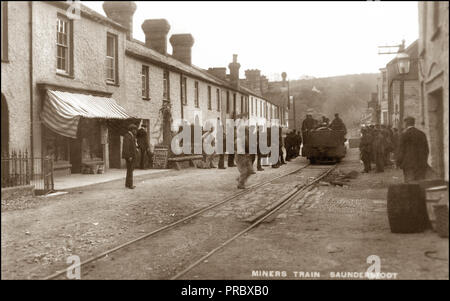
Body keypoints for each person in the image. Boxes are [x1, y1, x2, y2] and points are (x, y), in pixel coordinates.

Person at [396, 116, 429, 183]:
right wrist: (424, 161)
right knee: (420, 184)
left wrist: (398, 162)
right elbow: (426, 150)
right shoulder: (422, 134)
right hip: (420, 164)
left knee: (410, 185)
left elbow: (401, 151)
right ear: (413, 123)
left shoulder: (404, 135)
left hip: (408, 165)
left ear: (406, 124)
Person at [235, 124, 254, 189]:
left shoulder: (246, 137)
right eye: (247, 130)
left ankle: (240, 179)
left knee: (250, 170)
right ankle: (240, 184)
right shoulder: (240, 138)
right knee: (244, 171)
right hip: (241, 156)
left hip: (246, 155)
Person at [122, 124, 138, 189]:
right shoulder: (127, 136)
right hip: (130, 156)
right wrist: (129, 156)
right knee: (130, 170)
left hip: (131, 156)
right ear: (132, 130)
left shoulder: (131, 136)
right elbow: (126, 147)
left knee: (130, 170)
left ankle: (127, 184)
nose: (136, 131)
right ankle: (130, 185)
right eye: (135, 130)